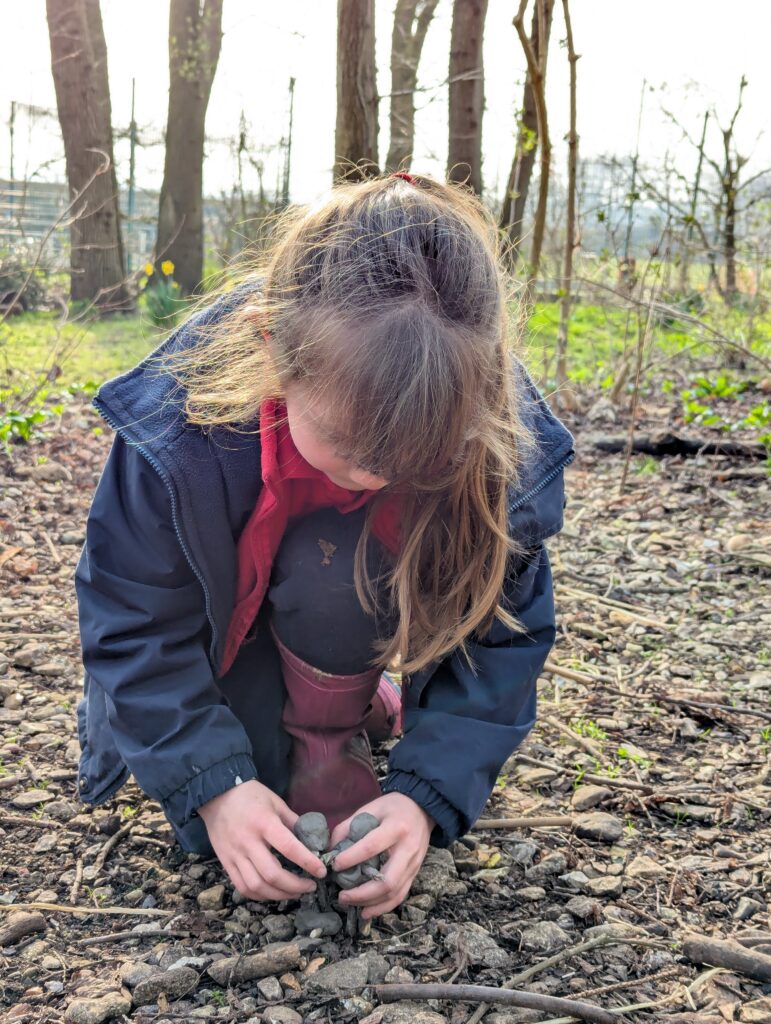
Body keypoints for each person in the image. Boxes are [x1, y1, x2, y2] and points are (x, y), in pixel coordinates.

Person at [74, 171, 575, 921]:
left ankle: (331, 714)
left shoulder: (496, 442)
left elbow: (503, 635)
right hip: (218, 642)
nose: (373, 476)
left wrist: (424, 796)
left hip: (342, 601)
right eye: (345, 443)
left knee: (336, 561)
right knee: (249, 799)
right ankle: (301, 710)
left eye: (416, 458)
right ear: (272, 347)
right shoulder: (174, 428)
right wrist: (213, 787)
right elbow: (132, 620)